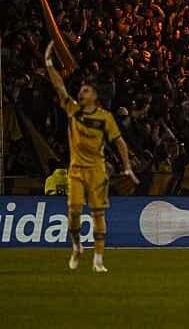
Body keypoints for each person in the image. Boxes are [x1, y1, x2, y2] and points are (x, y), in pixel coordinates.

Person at [45, 43, 137, 273]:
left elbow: (120, 142)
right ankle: (77, 248)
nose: (82, 94)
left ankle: (98, 258)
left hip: (96, 169)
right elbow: (59, 87)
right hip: (76, 169)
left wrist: (127, 168)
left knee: (98, 213)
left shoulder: (105, 117)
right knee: (74, 213)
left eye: (87, 91)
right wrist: (48, 64)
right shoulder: (73, 110)